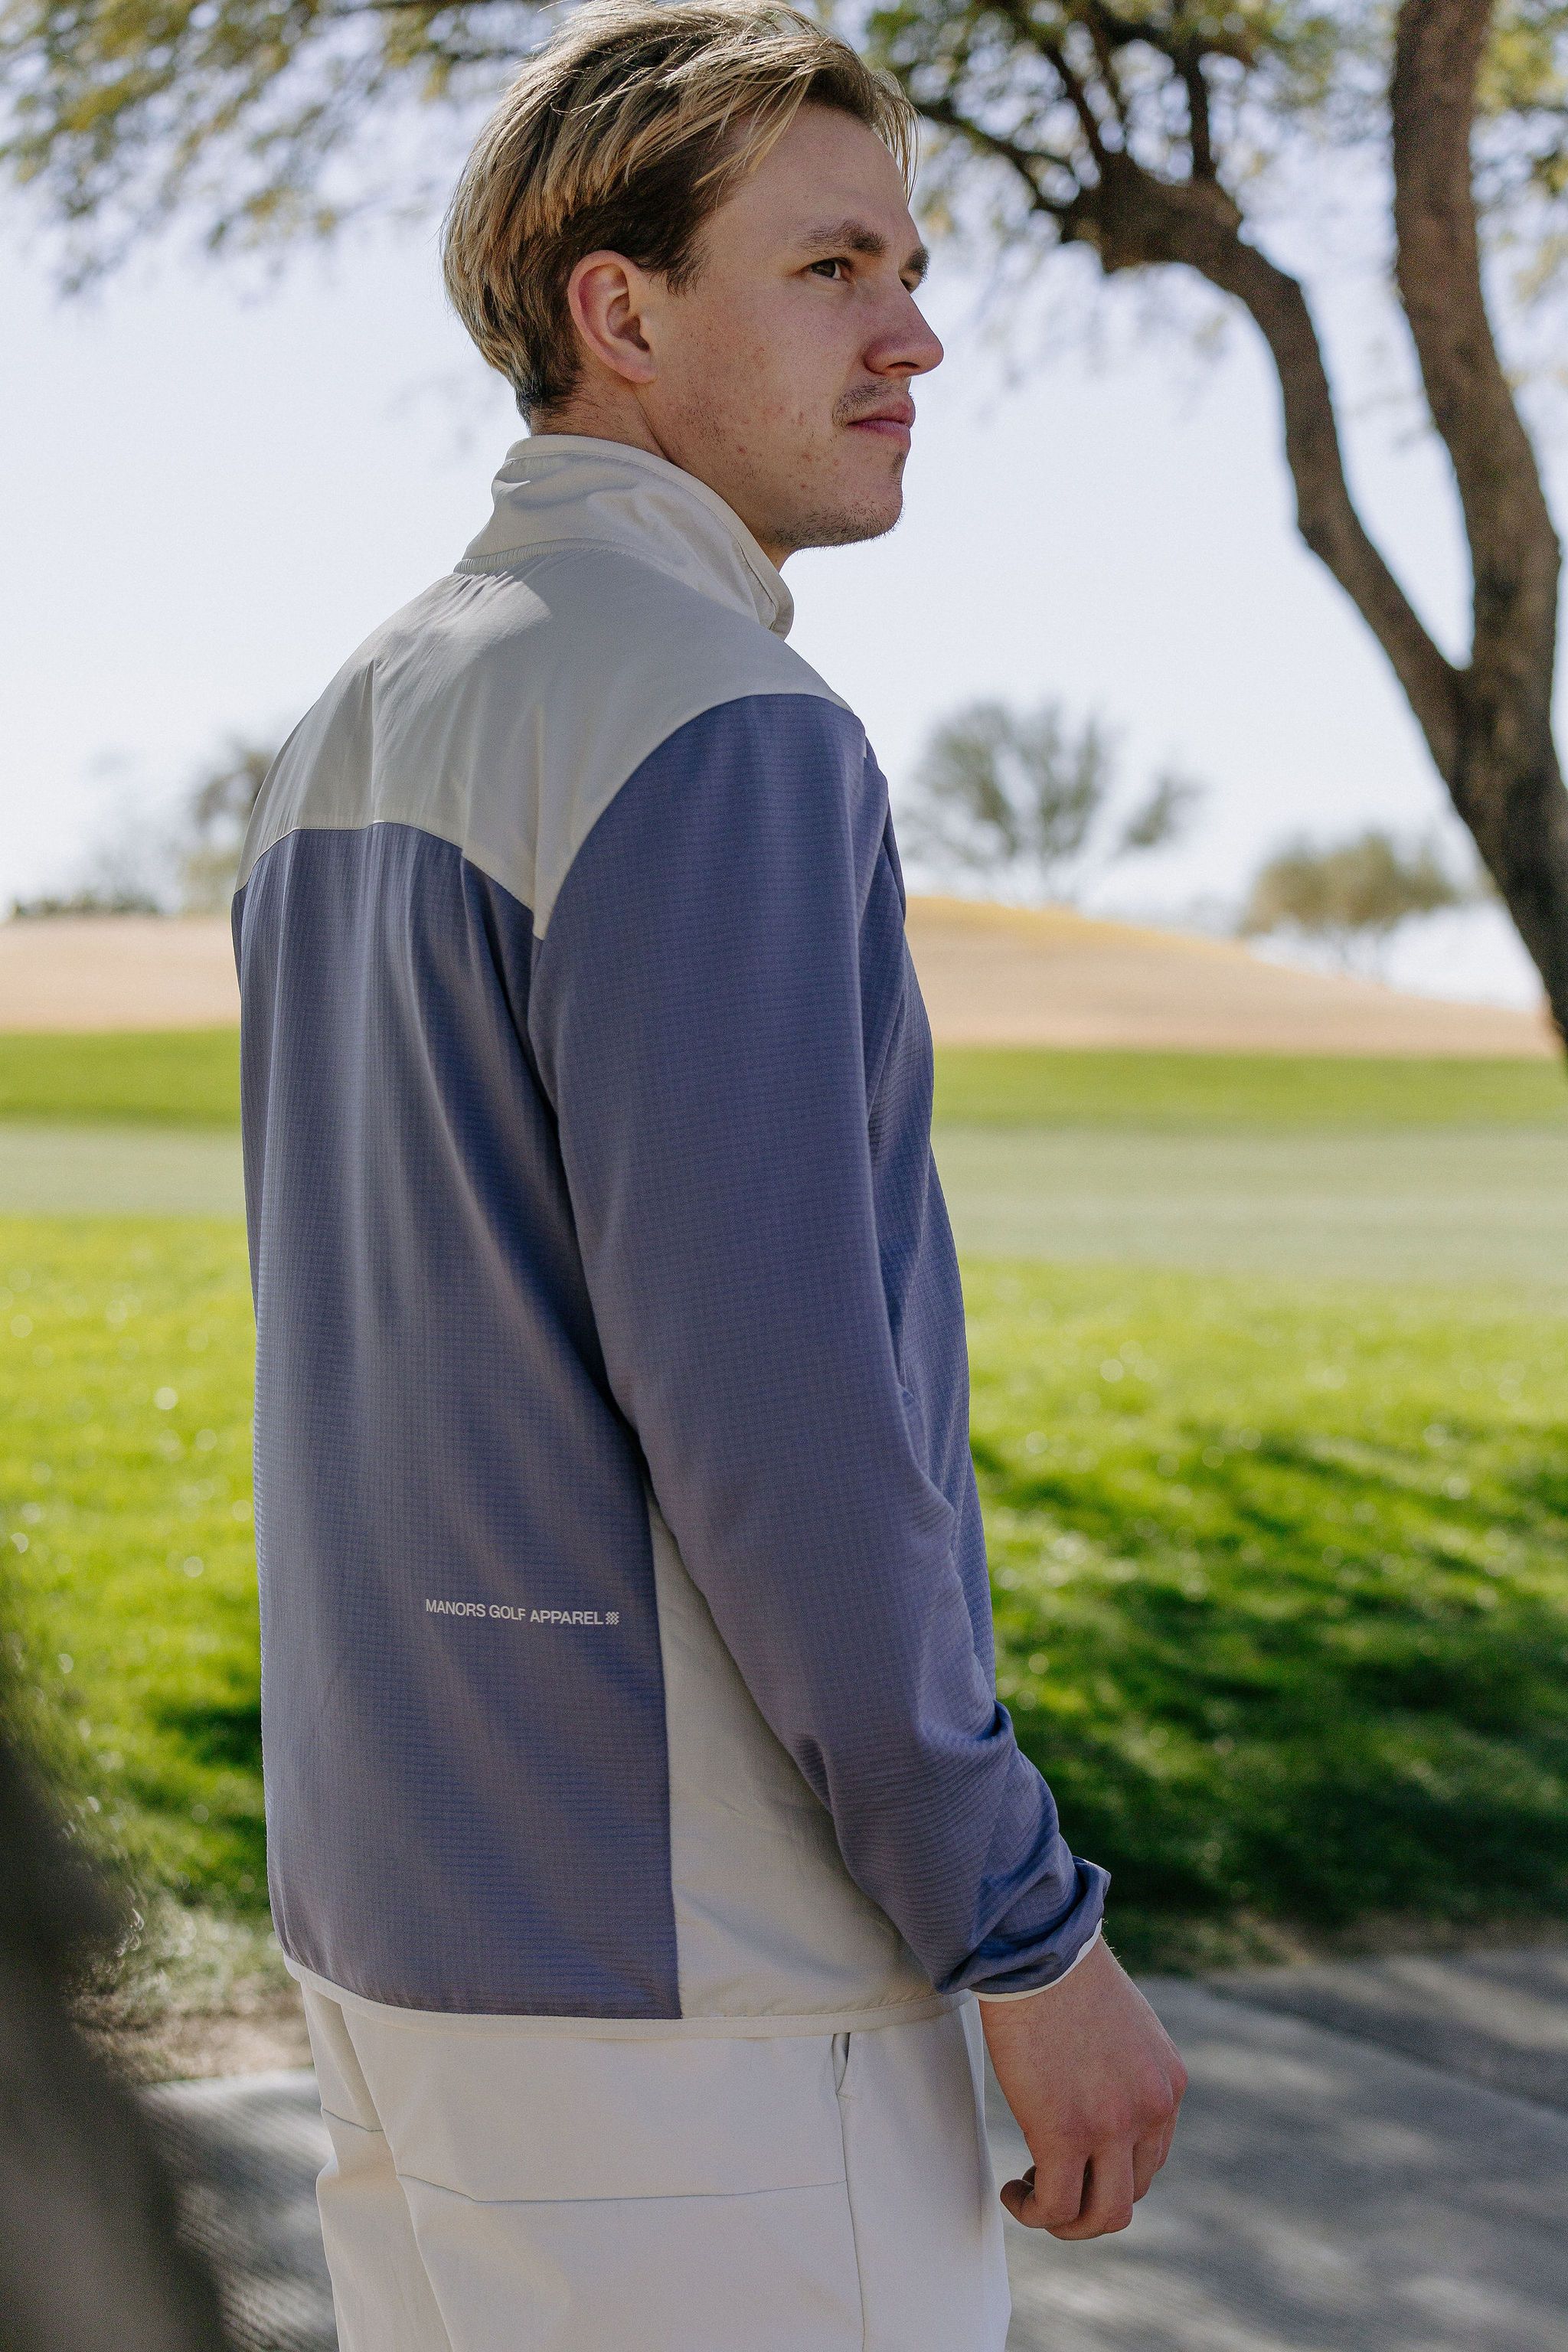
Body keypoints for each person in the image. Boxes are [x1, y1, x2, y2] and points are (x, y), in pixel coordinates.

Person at [232, 5, 1186, 2344]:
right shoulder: (720, 721)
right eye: (834, 267)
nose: (915, 335)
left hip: (396, 1963)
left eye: (911, 267)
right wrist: (1023, 1928)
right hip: (710, 2021)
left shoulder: (349, 725)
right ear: (622, 311)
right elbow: (787, 1428)